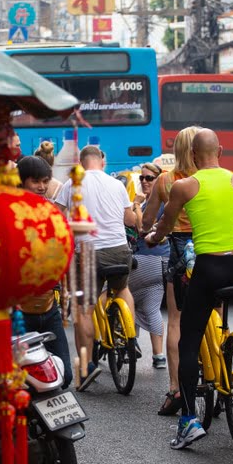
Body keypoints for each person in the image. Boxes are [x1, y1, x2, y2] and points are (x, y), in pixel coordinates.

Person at [146, 129, 233, 450]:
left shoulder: (185, 186)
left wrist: (152, 239)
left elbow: (163, 228)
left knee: (189, 338)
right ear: (220, 151)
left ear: (193, 156)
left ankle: (189, 419)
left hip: (208, 269)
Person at [55, 144, 137, 390]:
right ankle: (128, 338)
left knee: (84, 309)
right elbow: (130, 220)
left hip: (89, 253)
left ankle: (87, 367)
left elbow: (56, 218)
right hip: (120, 250)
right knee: (122, 289)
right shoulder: (117, 184)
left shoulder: (72, 184)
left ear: (81, 163)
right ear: (102, 161)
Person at [142, 126, 202, 415]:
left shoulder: (166, 181)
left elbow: (148, 219)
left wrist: (146, 231)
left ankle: (176, 387)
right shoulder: (213, 178)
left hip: (178, 251)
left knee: (176, 321)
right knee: (211, 315)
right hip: (213, 250)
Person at [16, 155, 73, 387]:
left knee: (64, 376)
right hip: (18, 311)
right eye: (35, 181)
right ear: (21, 182)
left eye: (45, 181)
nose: (41, 187)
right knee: (21, 381)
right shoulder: (10, 213)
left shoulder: (51, 212)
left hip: (49, 306)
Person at [131, 163, 168, 370]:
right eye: (142, 178)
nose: (144, 181)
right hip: (161, 260)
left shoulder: (155, 203)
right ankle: (159, 356)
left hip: (148, 258)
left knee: (125, 294)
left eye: (149, 178)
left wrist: (135, 205)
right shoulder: (163, 200)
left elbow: (141, 228)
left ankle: (130, 340)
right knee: (152, 307)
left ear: (159, 179)